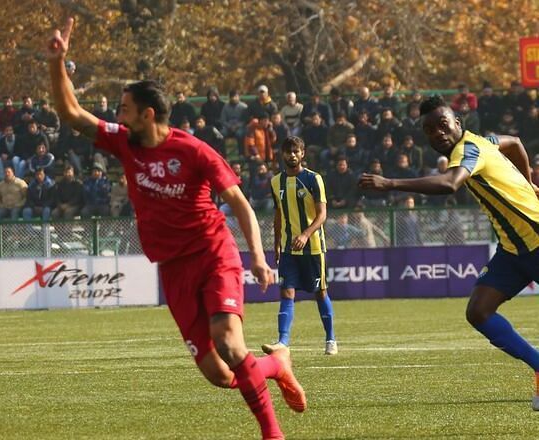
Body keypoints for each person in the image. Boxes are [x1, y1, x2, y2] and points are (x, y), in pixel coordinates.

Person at [48, 18, 305, 440]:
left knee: (229, 342)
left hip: (212, 253)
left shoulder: (193, 151)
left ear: (147, 114)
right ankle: (277, 364)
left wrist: (257, 257)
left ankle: (272, 435)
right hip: (173, 269)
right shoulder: (125, 142)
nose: (118, 115)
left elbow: (239, 202)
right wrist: (57, 63)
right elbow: (72, 114)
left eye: (124, 108)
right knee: (220, 374)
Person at [359, 96, 539, 411]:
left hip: (536, 238)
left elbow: (450, 183)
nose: (437, 133)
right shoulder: (484, 141)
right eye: (429, 130)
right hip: (512, 250)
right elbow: (516, 143)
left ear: (457, 122)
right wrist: (530, 181)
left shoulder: (468, 149)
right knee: (479, 311)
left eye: (442, 124)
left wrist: (390, 182)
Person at [262, 136, 337, 357]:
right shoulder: (276, 182)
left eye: (296, 151)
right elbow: (278, 215)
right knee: (286, 291)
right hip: (287, 249)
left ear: (302, 154)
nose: (292, 155)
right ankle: (283, 341)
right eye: (288, 152)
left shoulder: (314, 179)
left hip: (313, 247)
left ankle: (330, 338)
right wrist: (275, 243)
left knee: (320, 292)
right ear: (283, 155)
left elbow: (322, 214)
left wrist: (305, 234)